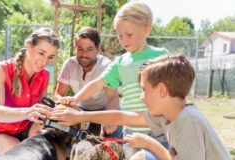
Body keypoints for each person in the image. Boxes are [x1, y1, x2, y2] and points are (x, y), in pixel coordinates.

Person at [51, 54, 232, 160]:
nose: (141, 96)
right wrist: (81, 117)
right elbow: (124, 117)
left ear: (162, 90)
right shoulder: (168, 115)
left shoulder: (188, 121)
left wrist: (150, 144)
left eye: (144, 90)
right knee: (140, 157)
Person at [58, 1, 168, 159]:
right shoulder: (121, 62)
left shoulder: (161, 55)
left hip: (159, 129)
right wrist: (75, 99)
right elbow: (97, 83)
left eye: (129, 35)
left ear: (147, 29)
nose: (123, 40)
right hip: (132, 131)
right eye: (119, 35)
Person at [0, 28, 59, 158]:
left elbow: (39, 115)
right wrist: (27, 112)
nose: (44, 62)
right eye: (41, 53)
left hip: (27, 131)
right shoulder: (1, 70)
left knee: (49, 150)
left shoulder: (45, 75)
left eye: (50, 57)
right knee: (18, 154)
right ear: (29, 46)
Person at [54, 26, 121, 138]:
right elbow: (58, 94)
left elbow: (113, 98)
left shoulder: (106, 66)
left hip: (104, 110)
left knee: (112, 140)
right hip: (80, 108)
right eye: (80, 49)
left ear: (98, 49)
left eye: (89, 49)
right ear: (75, 48)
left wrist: (109, 119)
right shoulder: (70, 64)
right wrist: (63, 100)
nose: (84, 54)